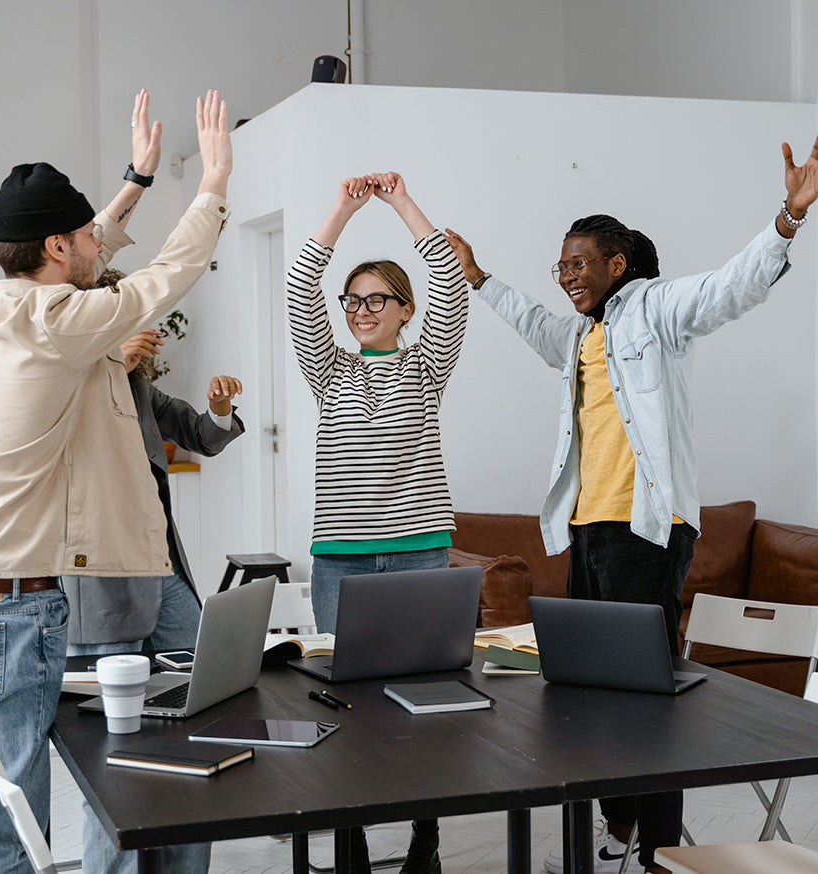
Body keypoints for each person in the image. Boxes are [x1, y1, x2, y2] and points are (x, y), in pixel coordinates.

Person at [444, 134, 818, 874]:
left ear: (616, 265)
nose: (565, 277)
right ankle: (616, 831)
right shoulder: (581, 332)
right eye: (560, 266)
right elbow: (533, 325)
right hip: (589, 528)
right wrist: (480, 277)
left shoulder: (655, 310)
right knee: (591, 691)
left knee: (648, 698)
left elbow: (729, 288)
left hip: (645, 529)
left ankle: (659, 850)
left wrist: (787, 218)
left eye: (577, 264)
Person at [0, 88, 233, 873]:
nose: (98, 246)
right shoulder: (61, 324)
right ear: (58, 250)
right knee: (2, 840)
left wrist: (136, 176)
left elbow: (89, 242)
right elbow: (170, 273)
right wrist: (213, 183)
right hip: (10, 616)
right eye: (82, 240)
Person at [286, 172, 467, 874]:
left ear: (405, 309)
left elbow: (449, 281)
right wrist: (341, 211)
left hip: (420, 556)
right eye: (353, 300)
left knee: (424, 703)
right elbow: (303, 293)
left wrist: (398, 204)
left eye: (376, 299)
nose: (361, 311)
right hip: (343, 562)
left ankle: (427, 837)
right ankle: (352, 846)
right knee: (344, 708)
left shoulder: (427, 366)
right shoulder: (330, 372)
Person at [62, 299, 244, 874]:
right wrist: (107, 360)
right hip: (103, 587)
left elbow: (200, 433)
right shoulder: (64, 380)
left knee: (201, 721)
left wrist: (218, 409)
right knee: (114, 759)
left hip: (164, 575)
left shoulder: (141, 387)